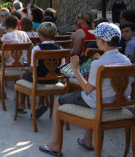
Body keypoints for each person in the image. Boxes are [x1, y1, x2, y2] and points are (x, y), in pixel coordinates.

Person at [40, 22, 131, 156]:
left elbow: (87, 90)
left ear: (101, 41)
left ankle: (55, 144)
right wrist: (100, 60)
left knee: (59, 101)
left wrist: (76, 70)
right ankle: (87, 140)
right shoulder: (126, 61)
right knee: (96, 95)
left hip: (99, 105)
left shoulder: (98, 64)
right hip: (118, 104)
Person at [18, 22, 62, 116]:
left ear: (41, 35)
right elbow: (62, 66)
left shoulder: (37, 48)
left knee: (24, 75)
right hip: (55, 79)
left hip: (40, 80)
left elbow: (33, 69)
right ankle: (40, 104)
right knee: (42, 73)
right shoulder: (60, 48)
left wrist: (28, 68)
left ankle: (21, 104)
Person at [0, 15, 30, 101]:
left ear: (6, 26)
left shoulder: (6, 36)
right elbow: (31, 47)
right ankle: (0, 92)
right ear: (17, 25)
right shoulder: (24, 34)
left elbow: (6, 56)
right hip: (23, 66)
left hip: (9, 67)